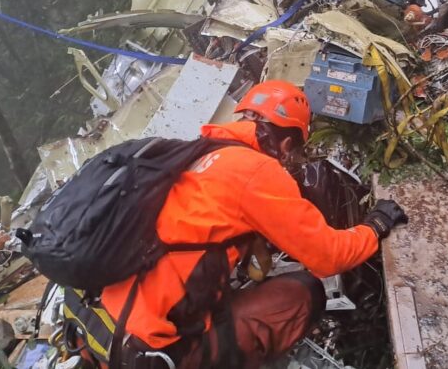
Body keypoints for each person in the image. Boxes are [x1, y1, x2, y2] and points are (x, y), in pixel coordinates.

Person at [98, 80, 408, 368]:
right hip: (160, 350)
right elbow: (330, 257)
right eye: (295, 151)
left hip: (114, 322)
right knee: (303, 294)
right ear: (286, 144)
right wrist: (375, 225)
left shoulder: (201, 149)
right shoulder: (257, 171)